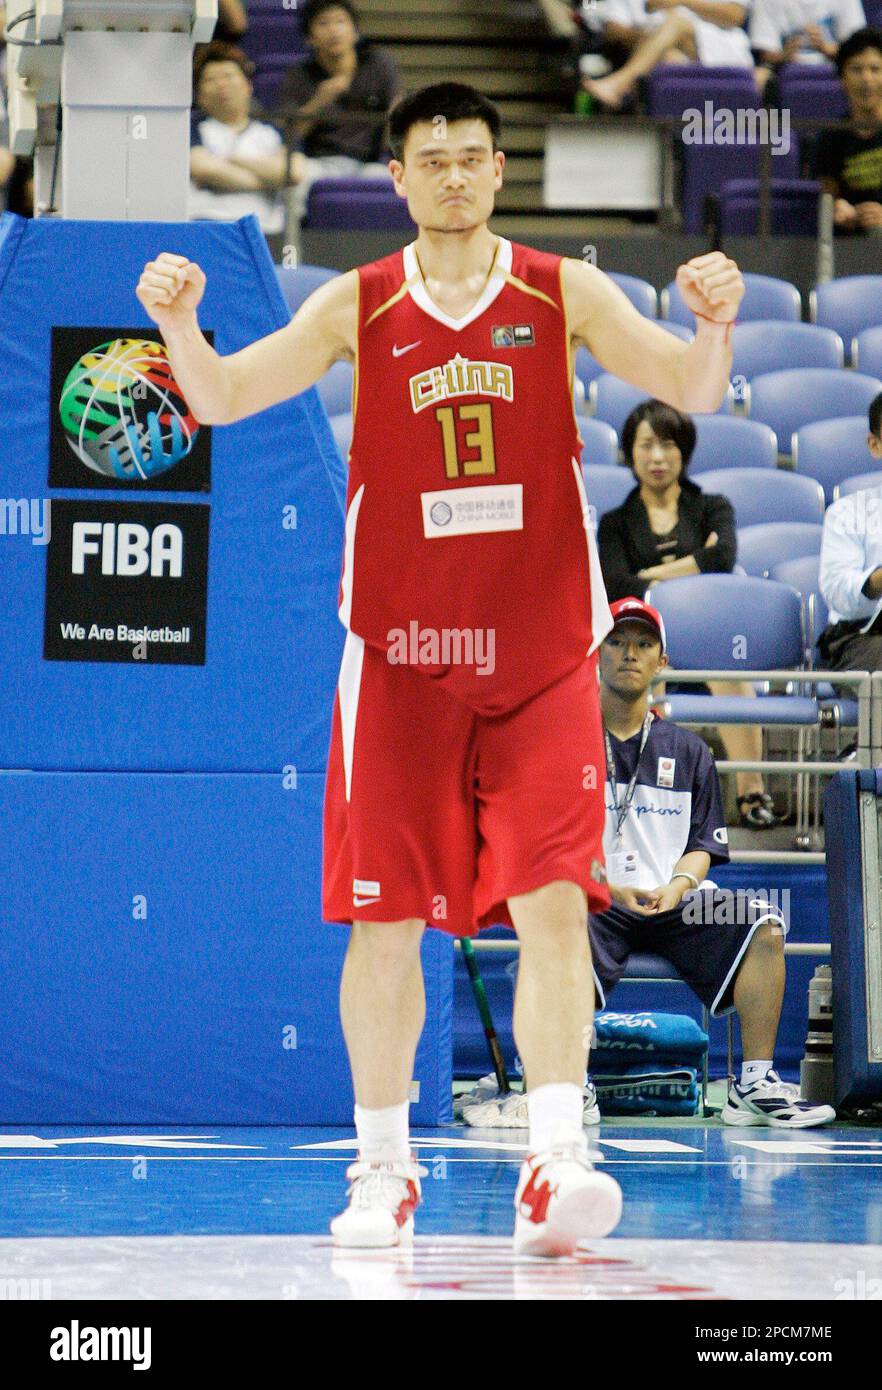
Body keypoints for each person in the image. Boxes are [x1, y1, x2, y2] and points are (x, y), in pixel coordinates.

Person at [135, 81, 745, 1257]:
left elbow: (692, 385)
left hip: (543, 665)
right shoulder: (356, 304)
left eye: (475, 156)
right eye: (433, 158)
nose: (455, 176)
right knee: (383, 923)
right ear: (400, 180)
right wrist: (179, 326)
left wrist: (714, 321)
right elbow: (216, 396)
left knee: (555, 907)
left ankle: (557, 1157)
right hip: (403, 665)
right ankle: (382, 1169)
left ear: (501, 172)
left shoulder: (559, 288)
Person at [592, 597, 835, 1126]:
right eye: (616, 642)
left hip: (678, 904)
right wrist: (607, 887)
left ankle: (752, 1084)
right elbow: (554, 838)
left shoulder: (688, 750)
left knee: (765, 923)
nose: (629, 654)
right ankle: (566, 1082)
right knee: (558, 923)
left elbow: (703, 844)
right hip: (599, 900)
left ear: (662, 663)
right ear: (596, 653)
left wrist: (678, 887)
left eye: (643, 644)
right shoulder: (567, 743)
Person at [597, 399, 778, 829]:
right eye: (646, 446)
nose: (657, 457)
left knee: (731, 675)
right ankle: (612, 795)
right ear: (630, 452)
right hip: (642, 647)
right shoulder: (615, 523)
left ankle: (752, 794)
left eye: (667, 445)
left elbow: (723, 557)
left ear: (684, 451)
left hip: (708, 647)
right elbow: (617, 583)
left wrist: (651, 575)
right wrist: (693, 563)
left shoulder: (713, 506)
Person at [273, 0, 400, 219]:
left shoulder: (377, 64)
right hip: (319, 163)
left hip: (369, 164)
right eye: (323, 23)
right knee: (294, 183)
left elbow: (397, 110)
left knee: (401, 183)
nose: (333, 30)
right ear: (310, 38)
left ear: (355, 32)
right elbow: (291, 134)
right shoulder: (300, 75)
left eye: (340, 21)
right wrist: (319, 101)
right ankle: (292, 245)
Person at [189, 43, 306, 239]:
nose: (221, 85)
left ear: (248, 86)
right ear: (200, 96)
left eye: (228, 76)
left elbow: (293, 172)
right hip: (207, 225)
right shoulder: (193, 129)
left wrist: (233, 159)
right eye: (210, 79)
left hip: (265, 230)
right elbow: (204, 169)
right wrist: (271, 180)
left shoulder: (275, 131)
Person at [581, 0, 756, 110]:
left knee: (675, 22)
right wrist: (653, 38)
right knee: (670, 57)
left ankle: (620, 83)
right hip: (661, 54)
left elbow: (735, 15)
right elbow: (614, 29)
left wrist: (680, 1)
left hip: (724, 50)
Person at [818, 391, 882, 673]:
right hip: (861, 638)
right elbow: (839, 595)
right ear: (875, 445)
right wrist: (877, 581)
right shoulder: (847, 513)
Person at [814, 26, 882, 233]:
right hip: (849, 246)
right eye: (856, 69)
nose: (866, 79)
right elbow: (827, 196)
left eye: (875, 69)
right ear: (842, 78)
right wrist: (837, 209)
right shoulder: (831, 137)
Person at [750, 0, 866, 69]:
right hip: (783, 69)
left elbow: (858, 47)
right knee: (760, 76)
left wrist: (826, 48)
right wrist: (784, 55)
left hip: (835, 65)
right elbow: (765, 52)